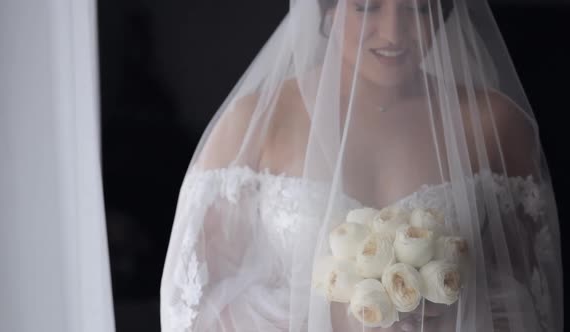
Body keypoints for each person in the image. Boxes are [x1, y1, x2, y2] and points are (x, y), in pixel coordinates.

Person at [160, 0, 563, 331]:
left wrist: (450, 309)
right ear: (326, 10)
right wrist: (324, 313)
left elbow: (532, 293)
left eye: (420, 9)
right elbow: (192, 301)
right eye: (367, 7)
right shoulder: (258, 121)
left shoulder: (495, 123)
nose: (394, 32)